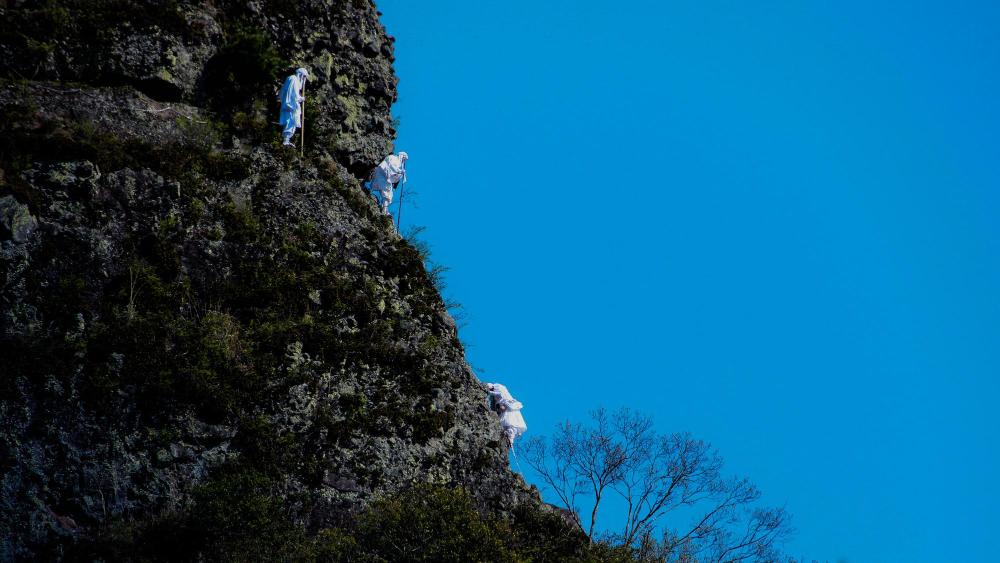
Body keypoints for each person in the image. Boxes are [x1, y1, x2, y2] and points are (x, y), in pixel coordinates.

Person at [486, 383, 527, 447]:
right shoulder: (496, 392)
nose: (490, 389)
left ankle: (510, 437)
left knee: (510, 422)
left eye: (490, 388)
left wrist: (489, 392)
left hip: (508, 407)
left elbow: (499, 394)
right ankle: (509, 437)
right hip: (505, 407)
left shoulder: (498, 387)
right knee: (507, 422)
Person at [278, 68, 309, 146]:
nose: (303, 79)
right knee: (290, 121)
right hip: (290, 105)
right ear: (300, 75)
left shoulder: (291, 79)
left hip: (290, 105)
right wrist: (300, 98)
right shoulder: (294, 79)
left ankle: (287, 139)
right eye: (303, 77)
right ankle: (286, 140)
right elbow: (293, 93)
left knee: (291, 121)